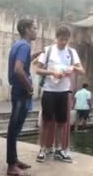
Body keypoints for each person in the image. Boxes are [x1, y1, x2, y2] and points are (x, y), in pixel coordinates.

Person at [35, 25, 84, 163]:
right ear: (56, 38)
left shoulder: (71, 52)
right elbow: (38, 70)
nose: (64, 42)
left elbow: (82, 70)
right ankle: (43, 149)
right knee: (46, 121)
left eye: (66, 40)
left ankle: (58, 149)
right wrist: (52, 72)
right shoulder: (48, 51)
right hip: (49, 90)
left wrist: (72, 68)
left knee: (61, 122)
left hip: (64, 92)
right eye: (61, 39)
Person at [6, 19, 42, 176]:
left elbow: (21, 65)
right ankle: (12, 166)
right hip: (21, 92)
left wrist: (34, 56)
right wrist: (30, 87)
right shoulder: (25, 46)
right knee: (14, 128)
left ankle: (14, 160)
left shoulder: (19, 45)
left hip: (18, 91)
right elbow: (19, 70)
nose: (36, 31)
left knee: (15, 127)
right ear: (27, 29)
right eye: (34, 28)